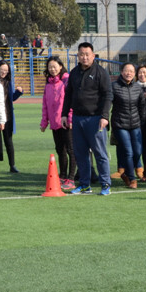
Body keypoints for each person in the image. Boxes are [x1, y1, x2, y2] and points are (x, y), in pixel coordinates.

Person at [62, 42, 113, 196]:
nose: (84, 57)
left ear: (93, 56)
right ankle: (85, 184)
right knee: (80, 153)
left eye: (87, 54)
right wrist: (64, 114)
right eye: (81, 54)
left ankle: (105, 184)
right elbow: (68, 95)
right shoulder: (74, 73)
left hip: (95, 119)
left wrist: (105, 116)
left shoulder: (101, 72)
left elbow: (108, 95)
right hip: (77, 119)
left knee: (100, 153)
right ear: (78, 55)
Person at [40, 56, 76, 190]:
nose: (52, 69)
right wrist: (44, 122)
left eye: (54, 66)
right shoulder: (48, 85)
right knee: (60, 150)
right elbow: (45, 105)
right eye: (50, 67)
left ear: (61, 67)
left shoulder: (66, 81)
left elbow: (71, 102)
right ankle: (62, 176)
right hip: (55, 124)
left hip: (66, 122)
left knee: (71, 150)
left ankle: (71, 178)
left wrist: (70, 118)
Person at [110, 63, 145, 189]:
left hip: (135, 124)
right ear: (121, 72)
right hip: (120, 124)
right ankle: (132, 178)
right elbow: (108, 103)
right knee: (128, 152)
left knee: (137, 151)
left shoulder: (137, 88)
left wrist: (142, 121)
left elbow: (142, 106)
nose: (128, 73)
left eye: (131, 71)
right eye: (126, 70)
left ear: (134, 74)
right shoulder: (114, 86)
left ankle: (125, 172)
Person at [0, 60, 22, 173]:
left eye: (6, 70)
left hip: (8, 115)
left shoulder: (8, 82)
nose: (3, 72)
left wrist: (18, 92)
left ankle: (12, 165)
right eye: (2, 70)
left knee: (9, 141)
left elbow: (11, 98)